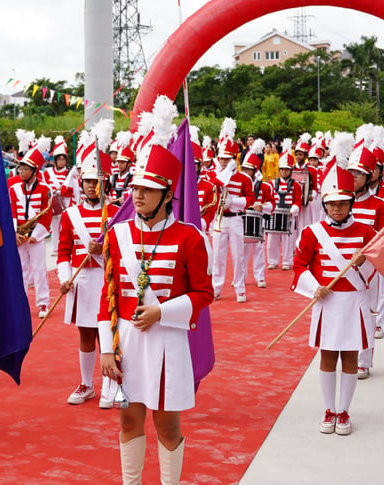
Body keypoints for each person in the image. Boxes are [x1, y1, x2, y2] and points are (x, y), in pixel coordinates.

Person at [98, 143, 214, 484]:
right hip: (126, 345)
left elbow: (204, 293)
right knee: (128, 421)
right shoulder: (117, 235)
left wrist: (161, 312)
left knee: (166, 425)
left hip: (167, 343)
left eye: (148, 190)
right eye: (136, 188)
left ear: (167, 195)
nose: (138, 195)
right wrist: (106, 348)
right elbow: (108, 294)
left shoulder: (190, 237)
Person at [291, 162, 376, 437]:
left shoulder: (366, 233)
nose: (337, 208)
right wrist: (314, 287)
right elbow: (299, 265)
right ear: (324, 205)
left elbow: (375, 272)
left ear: (350, 203)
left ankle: (344, 410)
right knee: (327, 356)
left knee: (350, 357)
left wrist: (363, 262)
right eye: (332, 204)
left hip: (354, 303)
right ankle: (329, 408)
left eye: (342, 203)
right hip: (326, 302)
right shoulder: (312, 232)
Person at [57, 154, 117, 408]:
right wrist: (65, 277)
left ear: (105, 183)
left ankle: (109, 384)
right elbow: (63, 251)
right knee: (85, 333)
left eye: (96, 181)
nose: (91, 186)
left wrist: (102, 247)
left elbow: (125, 249)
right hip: (81, 281)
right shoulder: (71, 215)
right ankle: (86, 384)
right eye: (87, 181)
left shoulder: (115, 213)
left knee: (106, 335)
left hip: (108, 281)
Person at [346, 143, 384, 380]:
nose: (353, 178)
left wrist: (365, 256)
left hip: (368, 268)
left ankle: (363, 360)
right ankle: (345, 355)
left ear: (370, 176)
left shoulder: (380, 206)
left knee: (366, 315)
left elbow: (382, 240)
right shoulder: (340, 203)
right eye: (351, 173)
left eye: (359, 174)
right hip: (342, 266)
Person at [9, 137, 53, 318]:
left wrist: (36, 234)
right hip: (19, 234)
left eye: (25, 168)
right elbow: (11, 211)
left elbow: (47, 213)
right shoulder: (13, 188)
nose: (21, 171)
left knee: (39, 269)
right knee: (21, 270)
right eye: (20, 167)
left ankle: (43, 303)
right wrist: (14, 233)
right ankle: (21, 303)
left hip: (36, 235)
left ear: (34, 170)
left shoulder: (45, 188)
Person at [211, 120, 254, 302]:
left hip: (235, 219)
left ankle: (240, 288)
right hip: (219, 220)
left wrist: (233, 202)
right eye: (221, 158)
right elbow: (212, 190)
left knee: (238, 256)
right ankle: (216, 288)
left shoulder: (243, 178)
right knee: (217, 258)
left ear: (233, 159)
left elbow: (250, 199)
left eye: (227, 159)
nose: (223, 161)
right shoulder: (215, 175)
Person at [240, 140, 272, 290]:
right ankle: (242, 277)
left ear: (254, 170)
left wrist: (262, 207)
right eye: (244, 169)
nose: (246, 172)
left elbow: (272, 203)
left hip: (259, 221)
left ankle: (260, 277)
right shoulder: (239, 184)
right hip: (243, 219)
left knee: (259, 250)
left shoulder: (264, 186)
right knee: (242, 251)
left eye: (248, 170)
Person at [266, 140, 302, 270]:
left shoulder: (296, 185)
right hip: (275, 214)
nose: (285, 172)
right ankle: (273, 260)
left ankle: (287, 261)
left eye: (287, 169)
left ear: (291, 170)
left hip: (288, 214)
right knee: (272, 239)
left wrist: (293, 210)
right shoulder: (271, 184)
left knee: (288, 239)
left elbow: (297, 200)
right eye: (282, 169)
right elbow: (268, 198)